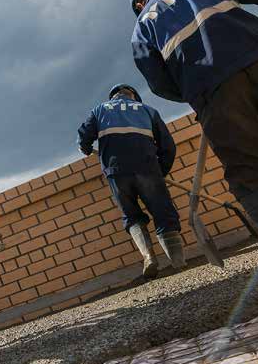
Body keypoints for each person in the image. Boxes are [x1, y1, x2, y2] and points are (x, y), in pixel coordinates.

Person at [130, 0, 258, 269]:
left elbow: (160, 85)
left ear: (139, 5)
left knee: (250, 174)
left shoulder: (141, 29)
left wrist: (202, 91)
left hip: (214, 91)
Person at [78, 84, 184, 278]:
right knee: (162, 211)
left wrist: (84, 148)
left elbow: (84, 135)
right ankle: (177, 261)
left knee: (132, 215)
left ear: (113, 97)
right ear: (133, 96)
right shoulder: (148, 111)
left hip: (116, 171)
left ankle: (149, 257)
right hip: (147, 168)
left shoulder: (100, 110)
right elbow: (167, 146)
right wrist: (161, 171)